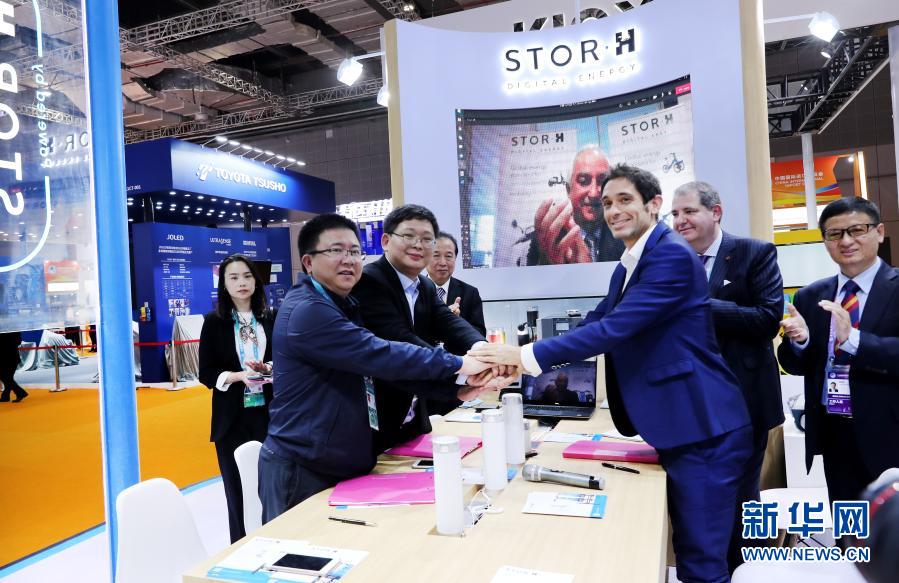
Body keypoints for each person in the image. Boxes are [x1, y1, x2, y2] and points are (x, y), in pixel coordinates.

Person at [472, 164, 752, 583]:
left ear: (654, 204)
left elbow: (614, 329)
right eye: (607, 203)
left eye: (625, 200)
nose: (613, 211)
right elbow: (596, 321)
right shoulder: (629, 264)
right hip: (681, 425)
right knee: (690, 550)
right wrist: (517, 361)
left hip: (703, 427)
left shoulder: (671, 255)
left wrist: (523, 356)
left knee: (701, 561)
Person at [260, 213, 496, 523]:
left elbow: (383, 369)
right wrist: (461, 364)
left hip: (339, 458)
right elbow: (382, 353)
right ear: (308, 262)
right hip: (303, 466)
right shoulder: (309, 310)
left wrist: (456, 390)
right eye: (336, 250)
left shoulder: (344, 304)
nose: (348, 260)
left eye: (354, 251)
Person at [671, 181, 784, 573]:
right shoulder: (672, 263)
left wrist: (699, 305)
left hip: (743, 403)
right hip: (688, 405)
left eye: (689, 211)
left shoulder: (754, 252)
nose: (680, 221)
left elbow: (767, 318)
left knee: (739, 500)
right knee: (695, 501)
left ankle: (744, 572)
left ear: (715, 212)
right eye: (675, 214)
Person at [779, 197, 899, 505]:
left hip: (889, 430)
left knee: (891, 527)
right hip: (834, 430)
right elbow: (794, 364)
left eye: (856, 230)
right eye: (834, 234)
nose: (846, 241)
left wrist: (853, 340)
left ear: (879, 232)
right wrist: (800, 342)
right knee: (849, 522)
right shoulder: (811, 296)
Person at [352, 205, 488, 452]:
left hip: (413, 420)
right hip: (377, 422)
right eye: (408, 236)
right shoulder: (369, 281)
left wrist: (485, 350)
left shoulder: (424, 286)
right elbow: (400, 339)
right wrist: (462, 367)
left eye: (426, 239)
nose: (418, 245)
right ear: (385, 241)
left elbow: (450, 322)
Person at [198, 254, 275, 543]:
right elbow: (206, 373)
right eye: (233, 277)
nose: (241, 282)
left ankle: (274, 541)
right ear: (224, 284)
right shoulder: (214, 322)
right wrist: (239, 376)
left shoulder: (270, 317)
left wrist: (268, 369)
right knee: (237, 491)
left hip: (269, 413)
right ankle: (241, 547)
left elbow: (283, 358)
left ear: (256, 281)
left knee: (271, 486)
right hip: (232, 418)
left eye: (247, 276)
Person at [527, 145, 624, 265]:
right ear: (569, 190)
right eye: (583, 181)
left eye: (602, 181)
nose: (594, 193)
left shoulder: (626, 235)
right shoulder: (547, 238)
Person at [427, 232, 486, 336]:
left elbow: (480, 334)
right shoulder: (412, 290)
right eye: (436, 255)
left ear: (455, 258)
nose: (443, 263)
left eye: (448, 256)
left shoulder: (470, 293)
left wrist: (457, 323)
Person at [0, 331, 27, 403]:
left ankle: (20, 393)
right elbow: (19, 341)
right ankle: (5, 396)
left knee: (6, 377)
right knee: (8, 377)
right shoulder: (14, 330)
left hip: (6, 357)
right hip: (13, 356)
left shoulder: (5, 330)